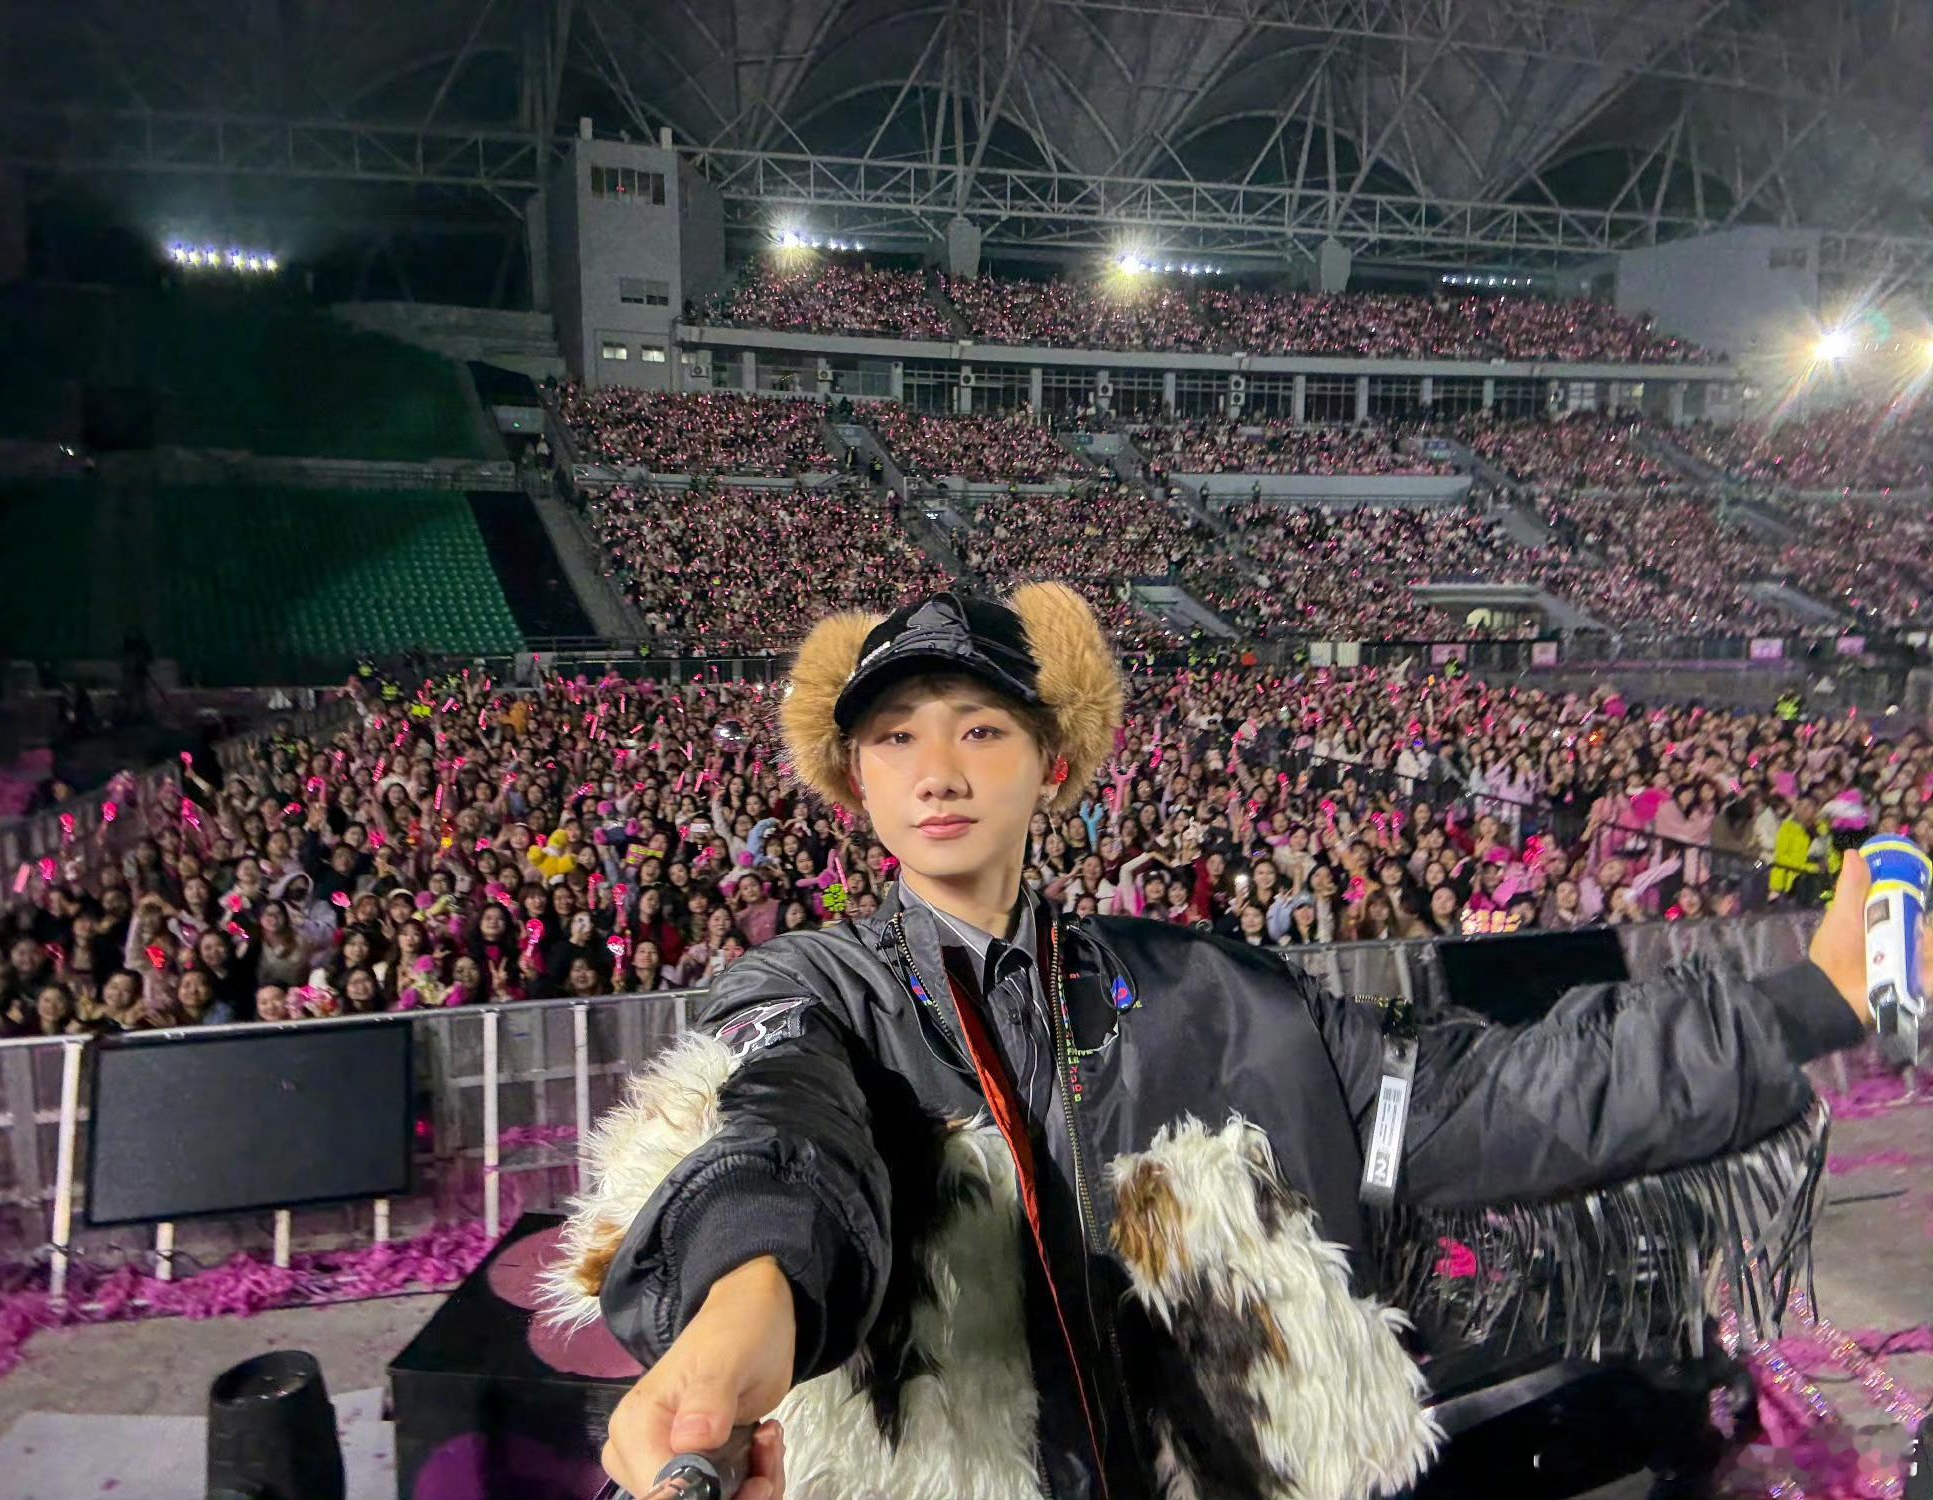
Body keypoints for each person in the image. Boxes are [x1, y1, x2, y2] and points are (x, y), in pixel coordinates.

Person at [544, 584, 1889, 1500]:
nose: (936, 770)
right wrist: (742, 1310)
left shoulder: (1214, 991)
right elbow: (777, 1130)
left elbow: (1492, 1098)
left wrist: (1810, 999)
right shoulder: (811, 990)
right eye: (894, 738)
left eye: (979, 729)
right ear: (856, 780)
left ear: (1053, 762)